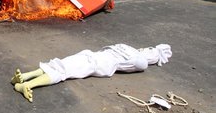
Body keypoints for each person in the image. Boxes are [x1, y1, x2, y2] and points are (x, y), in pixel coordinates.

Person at [11, 44, 172, 102]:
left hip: (93, 60)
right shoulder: (136, 57)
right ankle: (26, 80)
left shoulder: (135, 56)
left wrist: (153, 53)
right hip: (92, 59)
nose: (148, 51)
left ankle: (26, 80)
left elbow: (110, 49)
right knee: (61, 66)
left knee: (61, 67)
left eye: (151, 52)